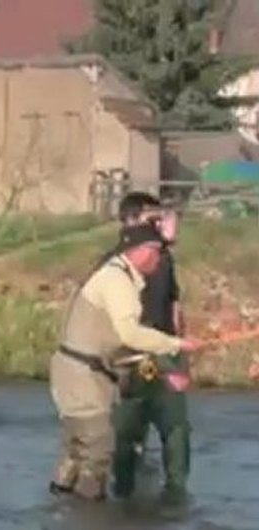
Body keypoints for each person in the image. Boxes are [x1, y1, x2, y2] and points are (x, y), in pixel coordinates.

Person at [48, 222, 202, 502]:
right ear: (142, 251)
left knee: (77, 450)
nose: (160, 259)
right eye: (157, 252)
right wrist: (176, 345)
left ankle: (61, 511)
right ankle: (91, 516)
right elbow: (129, 334)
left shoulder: (115, 274)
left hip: (80, 372)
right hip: (85, 375)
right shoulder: (117, 281)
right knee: (98, 448)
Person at [108, 192, 191, 504]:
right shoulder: (115, 264)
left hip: (165, 353)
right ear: (131, 221)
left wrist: (181, 357)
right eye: (152, 218)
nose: (159, 223)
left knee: (177, 427)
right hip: (131, 358)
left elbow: (174, 305)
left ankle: (176, 496)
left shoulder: (164, 259)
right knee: (128, 432)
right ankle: (123, 495)